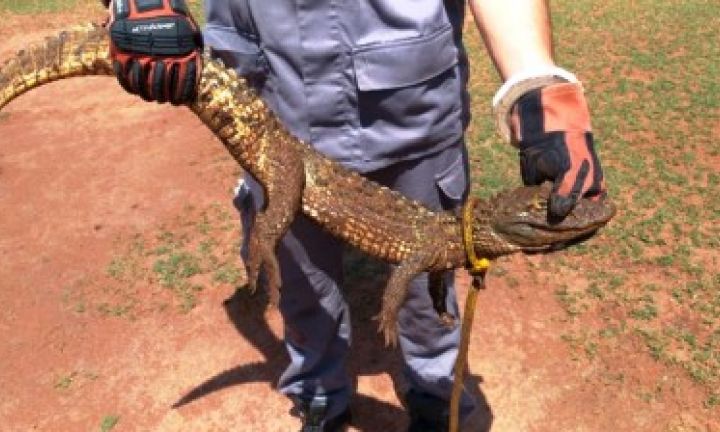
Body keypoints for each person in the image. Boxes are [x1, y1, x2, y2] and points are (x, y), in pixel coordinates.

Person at [105, 0, 605, 430]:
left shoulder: (458, 239)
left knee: (430, 303)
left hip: (415, 109)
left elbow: (421, 269)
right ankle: (319, 398)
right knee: (302, 287)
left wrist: (538, 86)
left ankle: (433, 393)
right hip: (270, 99)